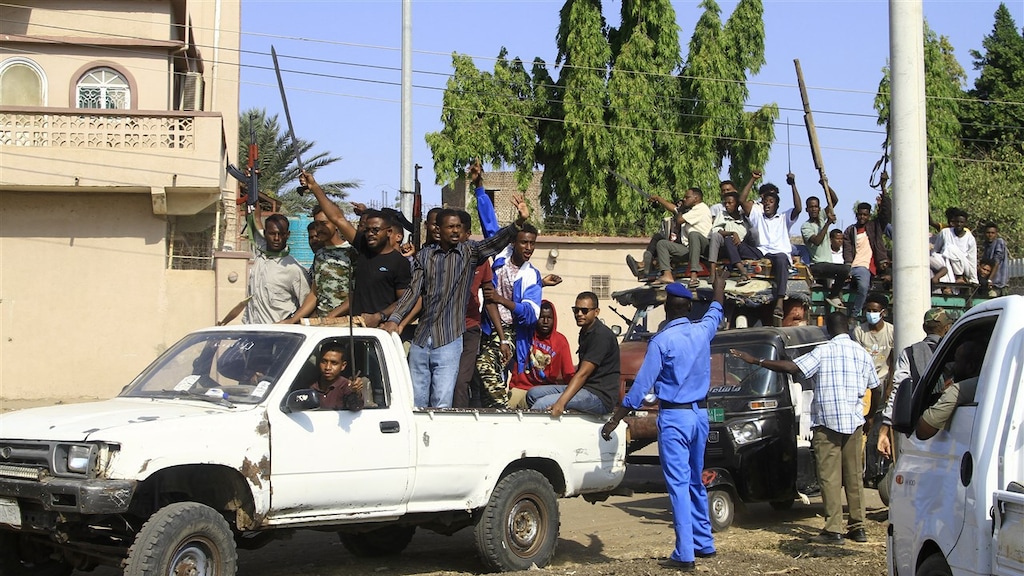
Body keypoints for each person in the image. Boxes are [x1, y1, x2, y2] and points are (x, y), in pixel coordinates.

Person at [602, 272, 727, 571]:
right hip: (700, 416)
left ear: (667, 309)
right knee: (696, 479)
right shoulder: (702, 331)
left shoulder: (661, 341)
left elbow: (640, 388)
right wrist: (719, 287)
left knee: (678, 484)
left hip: (674, 417)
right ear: (687, 308)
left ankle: (684, 554)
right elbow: (717, 309)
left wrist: (614, 421)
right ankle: (704, 542)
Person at [730, 312, 879, 544]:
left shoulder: (823, 351)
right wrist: (869, 416)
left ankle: (834, 530)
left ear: (827, 330)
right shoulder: (862, 354)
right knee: (853, 477)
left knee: (829, 477)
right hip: (854, 422)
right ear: (848, 328)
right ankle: (858, 528)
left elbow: (791, 368)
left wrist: (756, 361)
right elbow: (876, 388)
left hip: (827, 424)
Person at [383, 197, 530, 408]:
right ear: (438, 230)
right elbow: (412, 292)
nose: (454, 231)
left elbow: (494, 242)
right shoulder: (424, 256)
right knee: (416, 401)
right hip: (422, 339)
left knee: (442, 402)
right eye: (450, 227)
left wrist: (518, 223)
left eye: (458, 227)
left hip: (449, 340)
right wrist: (394, 319)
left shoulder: (469, 252)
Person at [472, 163, 543, 408]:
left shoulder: (532, 276)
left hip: (511, 332)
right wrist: (480, 188)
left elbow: (531, 313)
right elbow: (490, 225)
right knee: (479, 378)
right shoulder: (501, 254)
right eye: (524, 243)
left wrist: (504, 301)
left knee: (486, 367)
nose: (529, 248)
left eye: (532, 244)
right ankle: (492, 415)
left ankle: (504, 408)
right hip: (487, 325)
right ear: (515, 242)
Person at [303, 171, 413, 328]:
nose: (370, 234)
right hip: (355, 328)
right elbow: (338, 218)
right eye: (367, 230)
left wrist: (380, 316)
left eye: (375, 230)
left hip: (381, 330)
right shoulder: (363, 247)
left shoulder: (399, 262)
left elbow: (404, 300)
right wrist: (314, 187)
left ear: (388, 232)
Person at [527, 291, 620, 416]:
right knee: (532, 394)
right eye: (576, 310)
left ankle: (537, 435)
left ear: (596, 312)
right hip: (585, 389)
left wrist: (561, 402)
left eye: (584, 311)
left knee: (542, 403)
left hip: (600, 396)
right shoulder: (585, 331)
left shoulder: (601, 336)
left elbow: (583, 373)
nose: (579, 314)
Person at [877, 307, 953, 459]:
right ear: (947, 328)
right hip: (952, 430)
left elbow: (898, 390)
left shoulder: (909, 353)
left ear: (924, 328)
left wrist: (885, 429)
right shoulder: (955, 351)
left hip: (918, 431)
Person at [739, 171, 802, 322]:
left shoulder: (784, 217)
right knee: (737, 246)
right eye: (765, 201)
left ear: (777, 205)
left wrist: (793, 184)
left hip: (778, 253)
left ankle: (779, 301)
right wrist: (752, 179)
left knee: (781, 259)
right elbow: (741, 201)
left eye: (771, 201)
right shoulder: (757, 214)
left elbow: (798, 208)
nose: (767, 203)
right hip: (762, 251)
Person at [243, 212, 311, 324]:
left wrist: (290, 322)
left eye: (281, 234)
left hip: (278, 336)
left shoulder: (294, 269)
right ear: (265, 234)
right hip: (252, 332)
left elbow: (307, 306)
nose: (276, 238)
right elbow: (254, 218)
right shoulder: (259, 257)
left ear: (288, 235)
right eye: (272, 233)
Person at [507, 300, 577, 409]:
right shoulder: (524, 335)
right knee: (506, 412)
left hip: (544, 391)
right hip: (521, 387)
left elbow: (568, 373)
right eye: (541, 317)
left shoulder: (561, 341)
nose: (545, 321)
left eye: (549, 318)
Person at [916, 340, 983, 440]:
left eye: (957, 361)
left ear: (970, 366)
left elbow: (924, 431)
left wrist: (947, 393)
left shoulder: (961, 389)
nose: (952, 367)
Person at [843, 194, 892, 319]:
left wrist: (884, 190)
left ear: (869, 215)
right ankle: (848, 314)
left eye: (865, 215)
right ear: (856, 214)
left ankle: (856, 315)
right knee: (855, 287)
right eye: (860, 214)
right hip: (854, 266)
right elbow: (847, 251)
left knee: (865, 288)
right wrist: (847, 268)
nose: (862, 217)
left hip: (867, 267)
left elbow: (885, 214)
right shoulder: (850, 230)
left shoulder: (874, 226)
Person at [652, 187, 713, 288]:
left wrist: (682, 208)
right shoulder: (690, 211)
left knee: (693, 234)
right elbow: (672, 208)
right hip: (690, 248)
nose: (684, 199)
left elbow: (679, 219)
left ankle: (694, 275)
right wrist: (658, 198)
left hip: (704, 247)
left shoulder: (701, 208)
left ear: (696, 198)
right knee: (662, 244)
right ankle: (667, 275)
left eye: (687, 197)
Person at [801, 196, 849, 309]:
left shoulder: (822, 217)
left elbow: (834, 200)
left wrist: (824, 185)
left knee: (843, 274)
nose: (814, 209)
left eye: (816, 207)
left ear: (819, 208)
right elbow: (817, 241)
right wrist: (828, 223)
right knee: (845, 269)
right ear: (806, 209)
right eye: (811, 207)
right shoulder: (806, 226)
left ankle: (833, 297)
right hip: (817, 265)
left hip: (828, 264)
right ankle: (834, 295)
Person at [707, 191, 758, 284]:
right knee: (721, 237)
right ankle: (713, 272)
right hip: (727, 247)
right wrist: (732, 233)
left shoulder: (745, 218)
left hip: (742, 247)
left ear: (737, 204)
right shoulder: (722, 214)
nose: (727, 205)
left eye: (730, 203)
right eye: (725, 203)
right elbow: (716, 230)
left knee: (753, 232)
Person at [930, 207, 978, 286]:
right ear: (954, 222)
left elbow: (972, 260)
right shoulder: (945, 232)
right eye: (957, 222)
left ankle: (959, 277)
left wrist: (974, 279)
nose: (959, 224)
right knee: (937, 255)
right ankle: (947, 285)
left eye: (961, 222)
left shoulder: (970, 238)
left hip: (963, 266)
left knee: (950, 248)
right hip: (947, 263)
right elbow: (936, 250)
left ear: (965, 223)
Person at [310, 342, 364, 411]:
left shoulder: (347, 386)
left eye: (334, 363)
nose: (327, 367)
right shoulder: (310, 385)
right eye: (324, 361)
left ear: (343, 366)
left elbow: (356, 406)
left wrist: (356, 392)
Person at [979, 221, 1007, 296]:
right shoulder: (986, 245)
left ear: (996, 234)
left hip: (996, 284)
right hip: (987, 284)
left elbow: (996, 262)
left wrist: (990, 279)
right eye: (988, 233)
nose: (990, 235)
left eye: (992, 233)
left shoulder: (999, 242)